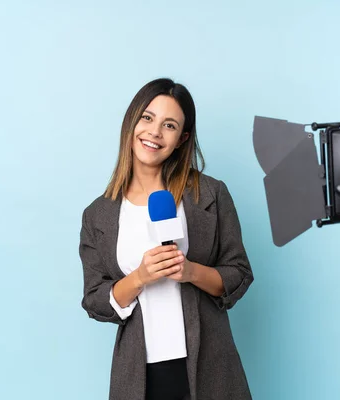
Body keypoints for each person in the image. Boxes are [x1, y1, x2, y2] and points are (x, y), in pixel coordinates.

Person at [79, 77, 254, 400]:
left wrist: (190, 272)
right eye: (147, 118)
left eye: (169, 125)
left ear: (182, 139)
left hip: (209, 365)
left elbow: (239, 274)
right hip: (139, 373)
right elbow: (94, 299)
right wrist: (140, 277)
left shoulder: (210, 194)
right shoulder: (97, 216)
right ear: (131, 122)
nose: (155, 132)